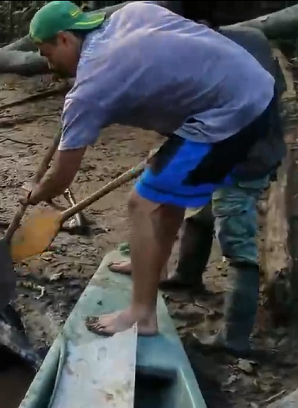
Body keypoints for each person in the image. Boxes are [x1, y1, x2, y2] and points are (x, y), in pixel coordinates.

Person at [23, 1, 279, 337]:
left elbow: (62, 176)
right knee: (166, 194)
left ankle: (141, 314)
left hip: (233, 115)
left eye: (46, 52)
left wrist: (36, 192)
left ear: (66, 40)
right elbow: (178, 64)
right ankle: (151, 268)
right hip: (255, 86)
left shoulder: (90, 88)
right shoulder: (132, 13)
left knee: (140, 202)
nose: (48, 63)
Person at [107, 22, 286, 356]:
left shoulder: (228, 47)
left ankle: (234, 337)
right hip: (223, 148)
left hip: (247, 157)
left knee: (236, 241)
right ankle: (187, 276)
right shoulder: (221, 42)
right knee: (198, 212)